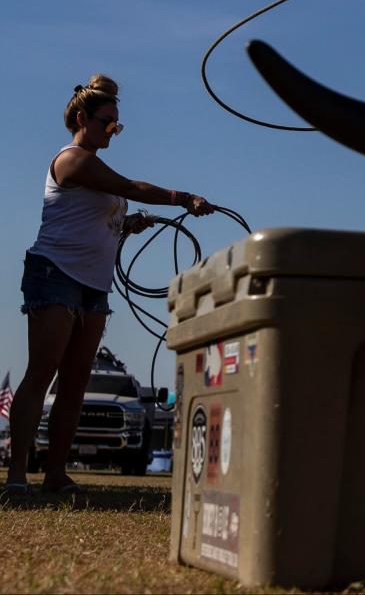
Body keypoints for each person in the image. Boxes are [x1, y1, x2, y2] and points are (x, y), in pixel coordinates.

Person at [4, 75, 215, 495]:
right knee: (42, 373)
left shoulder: (92, 164)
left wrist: (126, 226)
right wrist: (182, 196)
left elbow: (99, 216)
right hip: (56, 275)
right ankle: (15, 477)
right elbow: (126, 187)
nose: (113, 131)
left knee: (76, 379)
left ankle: (56, 474)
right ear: (82, 118)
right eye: (107, 123)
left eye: (117, 125)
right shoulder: (73, 160)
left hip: (92, 284)